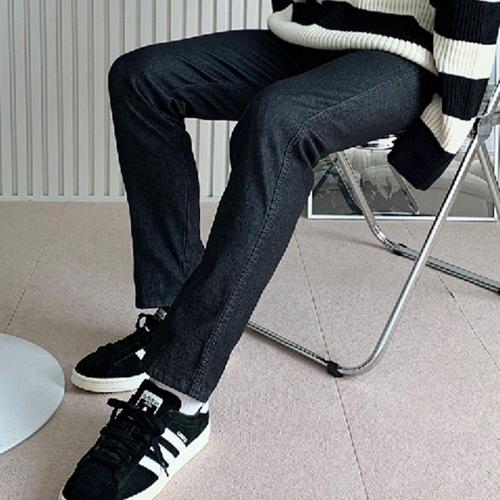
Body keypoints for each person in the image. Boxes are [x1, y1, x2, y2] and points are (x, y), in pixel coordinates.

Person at [61, 1, 500, 498]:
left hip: (407, 59)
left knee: (279, 121)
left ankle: (179, 397)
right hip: (312, 35)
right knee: (141, 78)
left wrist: (446, 126)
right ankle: (175, 317)